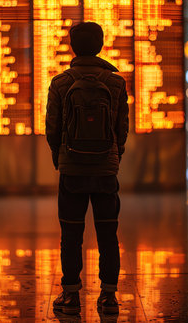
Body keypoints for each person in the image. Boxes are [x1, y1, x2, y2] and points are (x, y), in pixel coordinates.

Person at [46, 22, 129, 315]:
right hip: (106, 171)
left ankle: (70, 297)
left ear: (72, 46)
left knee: (71, 235)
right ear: (101, 44)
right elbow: (122, 129)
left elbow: (52, 129)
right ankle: (108, 297)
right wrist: (113, 155)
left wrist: (62, 157)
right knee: (108, 234)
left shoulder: (60, 82)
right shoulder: (116, 83)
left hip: (72, 170)